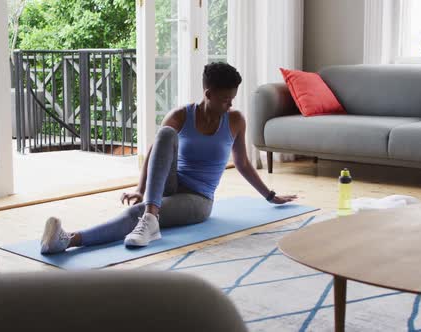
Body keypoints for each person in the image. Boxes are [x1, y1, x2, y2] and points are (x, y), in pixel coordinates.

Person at [40, 62, 297, 254]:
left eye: (232, 99)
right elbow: (155, 150)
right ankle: (151, 216)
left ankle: (68, 240)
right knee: (164, 133)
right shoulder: (182, 115)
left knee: (138, 213)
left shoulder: (235, 120)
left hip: (199, 199)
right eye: (225, 100)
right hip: (170, 184)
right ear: (208, 94)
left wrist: (270, 195)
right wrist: (141, 188)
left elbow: (242, 163)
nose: (229, 105)